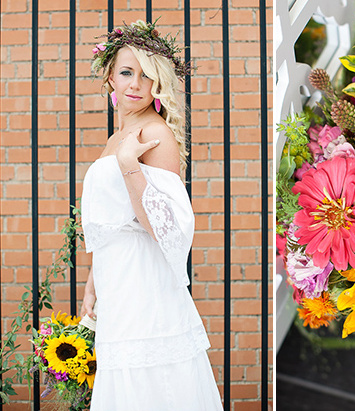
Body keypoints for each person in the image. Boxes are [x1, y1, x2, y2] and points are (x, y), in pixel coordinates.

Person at [79, 20, 223, 410]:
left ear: (157, 83)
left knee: (150, 380)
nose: (135, 84)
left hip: (143, 279)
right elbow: (115, 221)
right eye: (126, 72)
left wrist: (129, 166)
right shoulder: (117, 136)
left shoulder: (156, 135)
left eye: (146, 76)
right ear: (110, 75)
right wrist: (94, 281)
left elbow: (167, 228)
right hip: (117, 276)